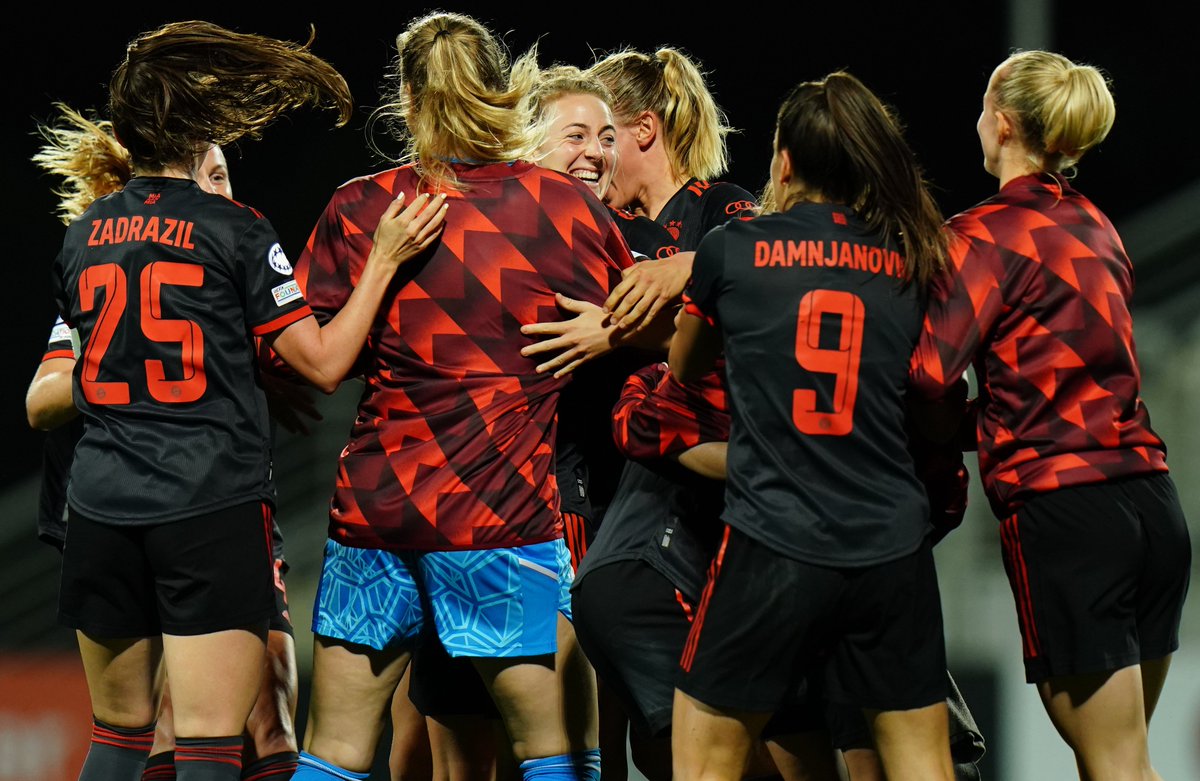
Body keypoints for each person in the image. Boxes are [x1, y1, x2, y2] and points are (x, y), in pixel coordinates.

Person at [48, 21, 445, 781]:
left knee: (118, 738)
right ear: (195, 130)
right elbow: (324, 365)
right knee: (206, 744)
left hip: (98, 506)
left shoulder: (82, 236)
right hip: (206, 504)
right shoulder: (233, 228)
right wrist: (384, 261)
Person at [290, 13, 633, 781]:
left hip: (374, 514)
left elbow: (304, 353)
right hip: (498, 517)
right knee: (556, 754)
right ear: (501, 92)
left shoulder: (359, 207)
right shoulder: (560, 208)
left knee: (336, 752)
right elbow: (650, 318)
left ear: (407, 99)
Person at [909, 50, 1190, 781]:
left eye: (980, 106)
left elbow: (930, 372)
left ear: (1001, 123)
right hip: (1152, 506)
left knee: (1115, 765)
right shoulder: (1098, 226)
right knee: (1128, 760)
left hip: (1068, 512)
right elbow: (1076, 381)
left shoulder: (983, 232)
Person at [668, 71, 955, 781]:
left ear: (785, 159)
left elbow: (683, 364)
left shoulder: (733, 248)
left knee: (704, 764)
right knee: (922, 763)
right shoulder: (913, 257)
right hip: (892, 545)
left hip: (773, 538)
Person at [28, 106, 308, 781]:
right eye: (208, 174)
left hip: (204, 500)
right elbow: (41, 400)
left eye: (225, 176)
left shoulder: (224, 266)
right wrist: (126, 365)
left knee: (267, 712)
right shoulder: (118, 270)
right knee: (178, 729)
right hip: (175, 502)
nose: (219, 190)